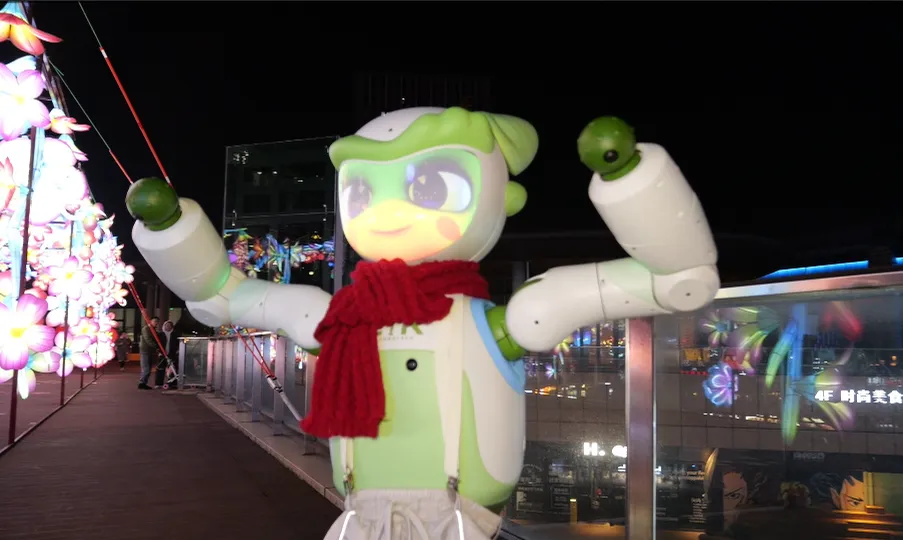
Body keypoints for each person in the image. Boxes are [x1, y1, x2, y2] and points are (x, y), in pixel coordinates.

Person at [138, 316, 159, 390]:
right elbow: (148, 339)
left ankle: (144, 382)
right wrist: (156, 346)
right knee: (146, 368)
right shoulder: (146, 329)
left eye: (157, 322)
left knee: (148, 368)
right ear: (150, 321)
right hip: (145, 350)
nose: (156, 323)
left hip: (150, 351)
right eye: (155, 321)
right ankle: (142, 383)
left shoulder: (153, 330)